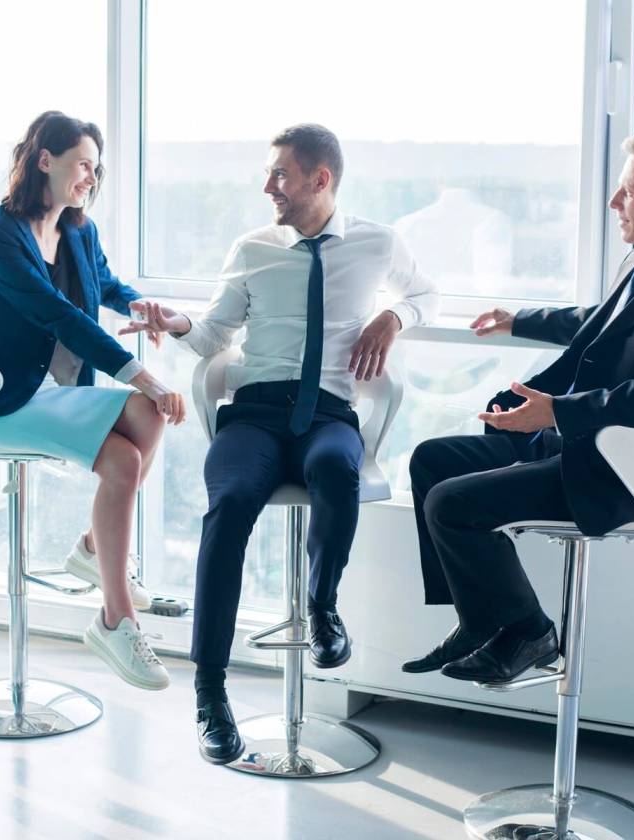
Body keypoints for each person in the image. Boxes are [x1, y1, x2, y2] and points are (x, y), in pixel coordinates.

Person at [130, 124, 439, 762]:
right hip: (257, 416)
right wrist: (176, 321)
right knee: (231, 502)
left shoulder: (378, 243)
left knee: (336, 472)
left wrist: (393, 315)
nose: (268, 186)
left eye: (280, 175)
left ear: (319, 179)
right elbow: (215, 334)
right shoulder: (253, 248)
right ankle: (210, 693)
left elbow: (427, 295)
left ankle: (322, 607)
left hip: (329, 414)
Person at [404, 130, 634, 684]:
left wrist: (559, 412)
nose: (615, 204)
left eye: (627, 192)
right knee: (431, 460)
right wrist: (520, 319)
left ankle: (530, 631)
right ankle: (480, 619)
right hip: (571, 444)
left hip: (619, 470)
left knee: (450, 503)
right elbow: (601, 325)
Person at [0, 110, 185, 691]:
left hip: (51, 393)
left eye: (95, 167)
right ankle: (116, 618)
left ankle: (92, 550)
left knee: (145, 424)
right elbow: (60, 317)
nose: (89, 176)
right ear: (44, 159)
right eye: (82, 163)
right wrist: (142, 376)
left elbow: (102, 284)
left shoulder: (79, 229)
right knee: (133, 442)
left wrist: (141, 307)